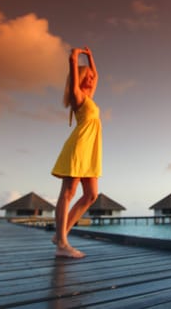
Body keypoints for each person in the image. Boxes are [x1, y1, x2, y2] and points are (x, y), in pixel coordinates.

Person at [51, 46, 101, 258]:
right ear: (79, 78)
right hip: (79, 147)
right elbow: (74, 77)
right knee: (68, 193)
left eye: (91, 77)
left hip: (91, 151)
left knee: (91, 195)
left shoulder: (89, 96)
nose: (91, 79)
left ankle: (60, 234)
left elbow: (97, 75)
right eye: (87, 76)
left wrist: (90, 57)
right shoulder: (77, 96)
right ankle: (62, 243)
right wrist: (74, 58)